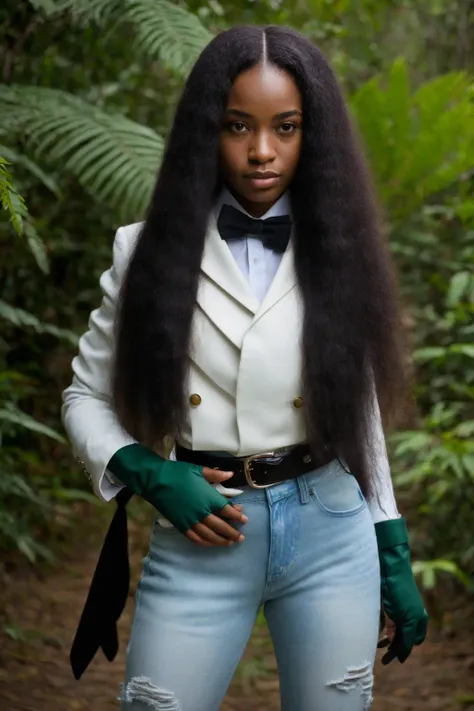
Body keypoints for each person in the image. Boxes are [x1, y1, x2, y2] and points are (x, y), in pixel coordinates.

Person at [61, 24, 428, 711]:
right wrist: (149, 471)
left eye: (286, 127)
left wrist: (392, 544)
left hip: (332, 526)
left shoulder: (342, 246)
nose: (263, 151)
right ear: (208, 130)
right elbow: (84, 394)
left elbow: (359, 406)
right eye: (238, 126)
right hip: (204, 529)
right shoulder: (143, 250)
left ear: (310, 133)